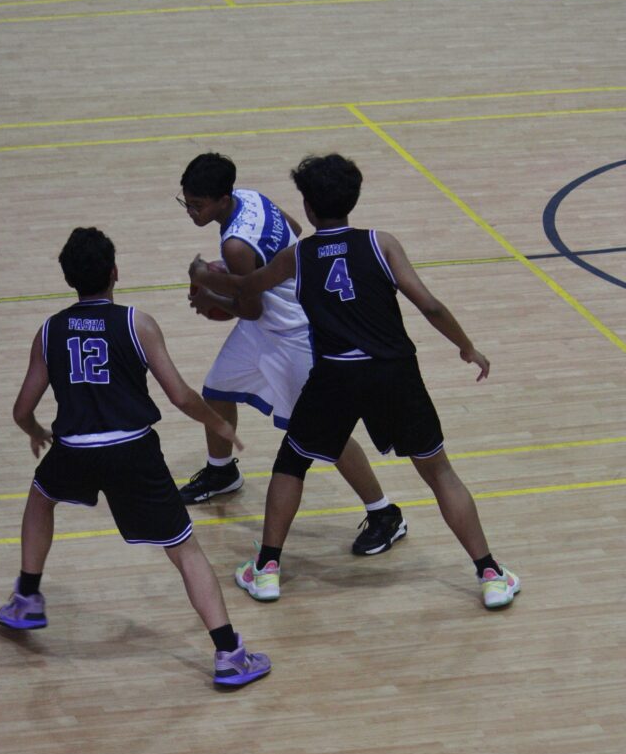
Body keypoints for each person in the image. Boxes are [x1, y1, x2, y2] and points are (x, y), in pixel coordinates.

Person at [189, 154, 520, 611]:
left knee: (291, 464)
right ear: (353, 198)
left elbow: (248, 290)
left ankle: (266, 569)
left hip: (336, 374)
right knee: (439, 472)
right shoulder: (382, 243)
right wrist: (466, 347)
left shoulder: (297, 256)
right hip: (394, 371)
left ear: (308, 206)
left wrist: (203, 276)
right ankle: (490, 573)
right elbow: (430, 306)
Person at [0, 226, 271, 687]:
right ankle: (228, 653)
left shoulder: (50, 330)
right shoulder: (136, 324)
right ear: (115, 272)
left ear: (69, 279)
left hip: (75, 449)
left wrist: (35, 431)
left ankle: (26, 597)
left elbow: (22, 409)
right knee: (184, 549)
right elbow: (180, 395)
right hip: (132, 451)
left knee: (41, 498)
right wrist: (219, 424)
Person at [176, 152, 407, 600]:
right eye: (186, 202)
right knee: (217, 389)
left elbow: (249, 307)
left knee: (327, 432)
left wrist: (211, 293)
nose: (191, 212)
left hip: (293, 335)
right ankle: (222, 473)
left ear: (222, 199)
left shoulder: (235, 246)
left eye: (197, 205)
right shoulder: (252, 198)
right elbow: (296, 231)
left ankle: (385, 513)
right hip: (265, 329)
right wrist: (244, 276)